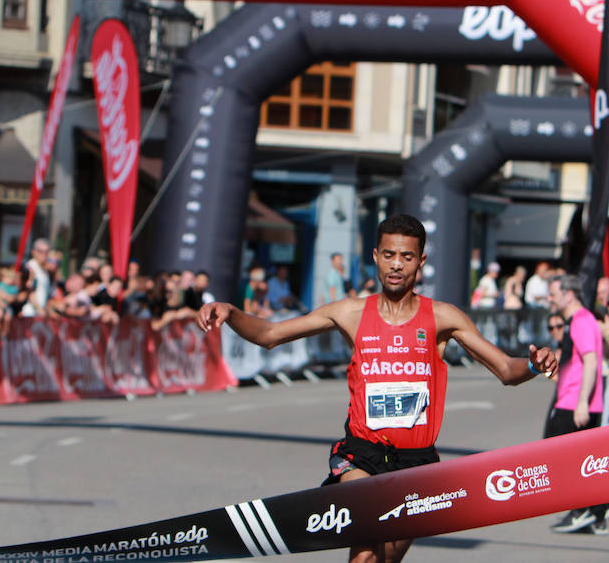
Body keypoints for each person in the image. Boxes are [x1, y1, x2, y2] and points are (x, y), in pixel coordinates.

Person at [198, 213, 558, 563]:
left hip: (417, 464)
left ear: (421, 261)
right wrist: (230, 311)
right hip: (361, 455)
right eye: (388, 255)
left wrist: (532, 364)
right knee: (367, 550)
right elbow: (271, 334)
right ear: (376, 257)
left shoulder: (444, 318)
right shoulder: (350, 312)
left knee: (386, 556)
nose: (396, 265)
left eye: (406, 256)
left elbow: (505, 370)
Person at [546, 273, 609, 535]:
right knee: (576, 460)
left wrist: (582, 402)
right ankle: (589, 514)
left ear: (568, 294)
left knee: (566, 461)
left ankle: (583, 511)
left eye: (553, 294)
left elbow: (592, 361)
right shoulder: (578, 320)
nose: (550, 298)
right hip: (571, 399)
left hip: (576, 404)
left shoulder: (581, 320)